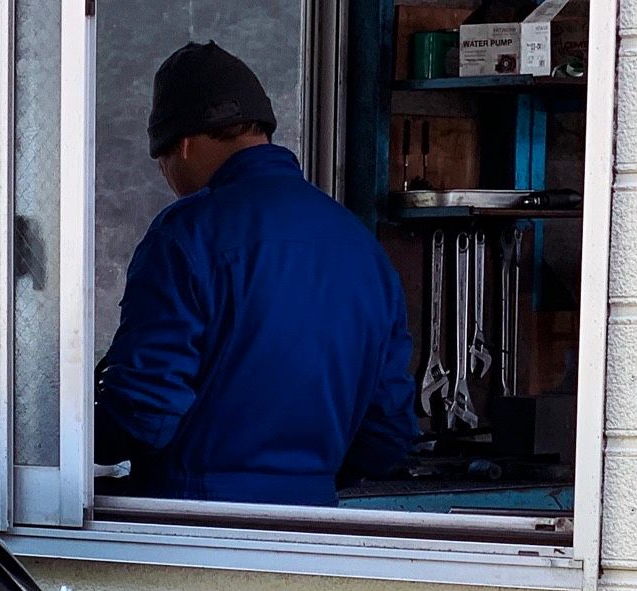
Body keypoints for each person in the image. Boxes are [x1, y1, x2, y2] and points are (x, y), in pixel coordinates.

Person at [96, 42, 416, 507]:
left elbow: (145, 410)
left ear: (182, 146)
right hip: (313, 532)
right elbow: (387, 431)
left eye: (161, 164)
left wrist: (76, 438)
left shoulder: (187, 234)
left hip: (190, 532)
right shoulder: (360, 245)